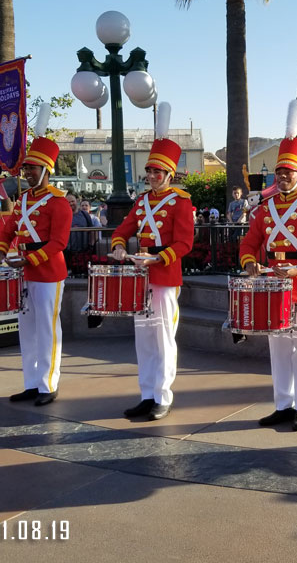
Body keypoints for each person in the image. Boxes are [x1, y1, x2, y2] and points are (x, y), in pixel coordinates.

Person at [239, 99, 297, 432]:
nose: (282, 176)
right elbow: (250, 242)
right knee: (277, 344)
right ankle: (283, 403)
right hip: (272, 284)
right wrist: (251, 262)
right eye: (279, 171)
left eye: (288, 172)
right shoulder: (265, 208)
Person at [110, 102, 193, 421]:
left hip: (164, 275)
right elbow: (124, 229)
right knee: (143, 338)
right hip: (139, 278)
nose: (151, 176)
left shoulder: (181, 202)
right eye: (149, 171)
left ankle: (163, 395)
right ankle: (147, 393)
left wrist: (158, 258)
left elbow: (185, 242)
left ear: (169, 173)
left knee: (162, 338)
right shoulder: (142, 201)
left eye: (157, 171)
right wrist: (119, 245)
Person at [0, 136, 73, 407]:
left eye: (33, 168)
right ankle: (32, 383)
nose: (27, 173)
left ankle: (49, 385)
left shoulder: (58, 201)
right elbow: (7, 229)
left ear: (47, 170)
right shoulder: (24, 199)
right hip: (25, 271)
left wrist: (30, 260)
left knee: (48, 330)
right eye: (26, 168)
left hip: (48, 271)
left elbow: (59, 242)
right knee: (26, 330)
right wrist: (1, 249)